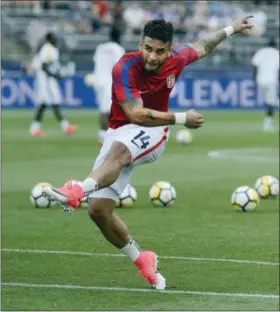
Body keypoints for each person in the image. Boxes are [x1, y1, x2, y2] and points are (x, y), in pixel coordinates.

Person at [43, 17, 254, 289]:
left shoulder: (176, 59)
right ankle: (143, 259)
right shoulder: (124, 67)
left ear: (169, 49)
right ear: (140, 44)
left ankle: (75, 191)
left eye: (159, 51)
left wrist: (230, 29)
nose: (152, 57)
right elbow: (134, 114)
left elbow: (203, 45)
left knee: (119, 153)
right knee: (97, 211)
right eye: (148, 48)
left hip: (155, 132)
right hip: (122, 128)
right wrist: (181, 117)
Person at [29, 32, 77, 137]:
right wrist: (55, 75)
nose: (56, 40)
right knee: (54, 101)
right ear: (50, 39)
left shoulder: (47, 48)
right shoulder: (49, 49)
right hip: (47, 79)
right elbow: (44, 65)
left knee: (44, 103)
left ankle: (34, 128)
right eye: (54, 38)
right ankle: (65, 127)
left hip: (45, 78)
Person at [84, 26, 125, 144]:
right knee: (106, 110)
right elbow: (119, 67)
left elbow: (96, 62)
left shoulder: (100, 48)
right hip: (109, 81)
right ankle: (103, 137)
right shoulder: (118, 49)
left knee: (106, 108)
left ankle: (107, 135)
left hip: (97, 81)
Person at [252, 38, 279, 132]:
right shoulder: (276, 53)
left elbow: (255, 66)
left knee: (269, 101)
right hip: (271, 80)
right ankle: (267, 124)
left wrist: (254, 80)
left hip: (260, 80)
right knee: (271, 103)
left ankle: (273, 102)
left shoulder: (260, 52)